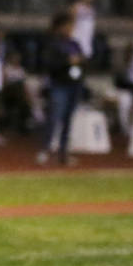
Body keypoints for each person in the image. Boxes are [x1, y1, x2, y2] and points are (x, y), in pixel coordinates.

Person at [36, 11, 84, 166]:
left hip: (73, 85)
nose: (71, 28)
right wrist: (67, 61)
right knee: (54, 118)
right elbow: (49, 64)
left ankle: (63, 152)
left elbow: (83, 62)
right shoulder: (53, 44)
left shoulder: (74, 44)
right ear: (61, 26)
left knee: (68, 120)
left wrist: (79, 64)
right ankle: (45, 150)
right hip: (59, 85)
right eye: (69, 25)